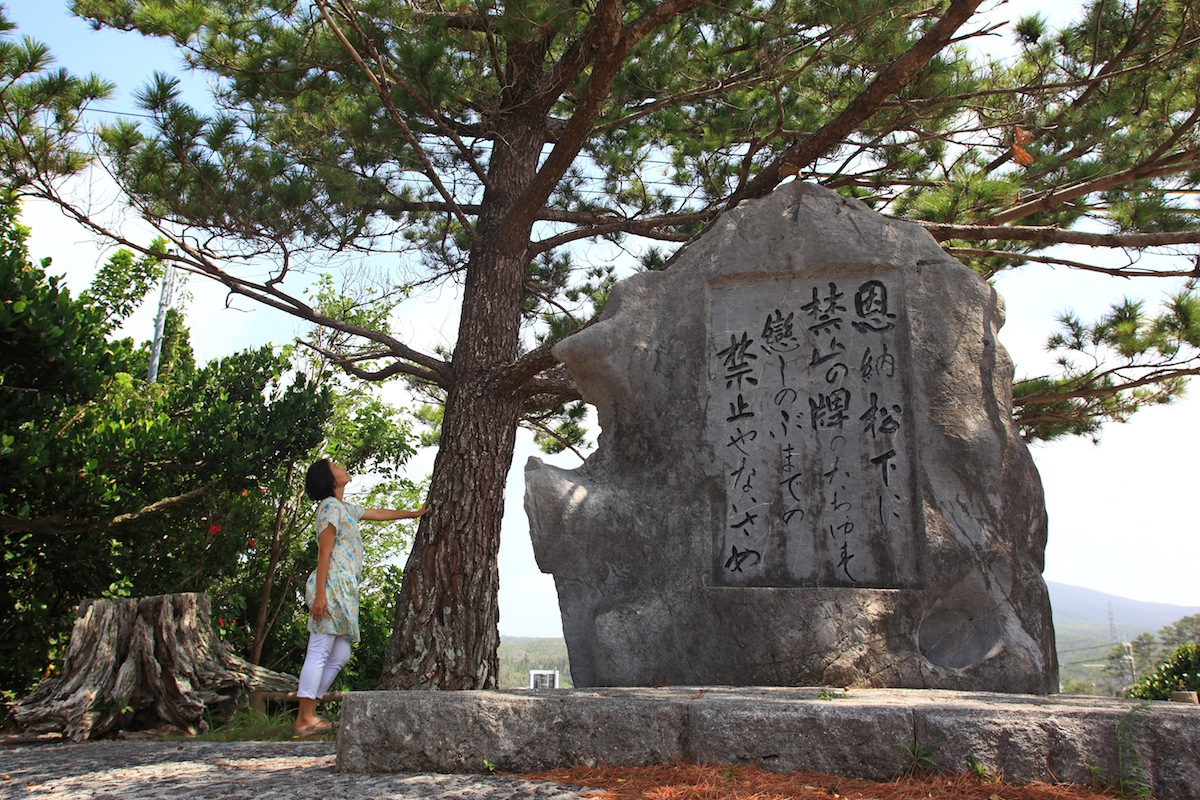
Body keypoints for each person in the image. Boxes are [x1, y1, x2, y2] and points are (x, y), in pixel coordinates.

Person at [294, 457, 429, 735]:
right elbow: (324, 552)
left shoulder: (343, 507)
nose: (342, 467)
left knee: (340, 654)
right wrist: (320, 595)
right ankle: (304, 719)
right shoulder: (329, 507)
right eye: (336, 467)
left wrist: (413, 514)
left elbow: (377, 513)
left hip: (344, 590)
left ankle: (310, 711)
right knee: (320, 649)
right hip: (330, 587)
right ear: (330, 480)